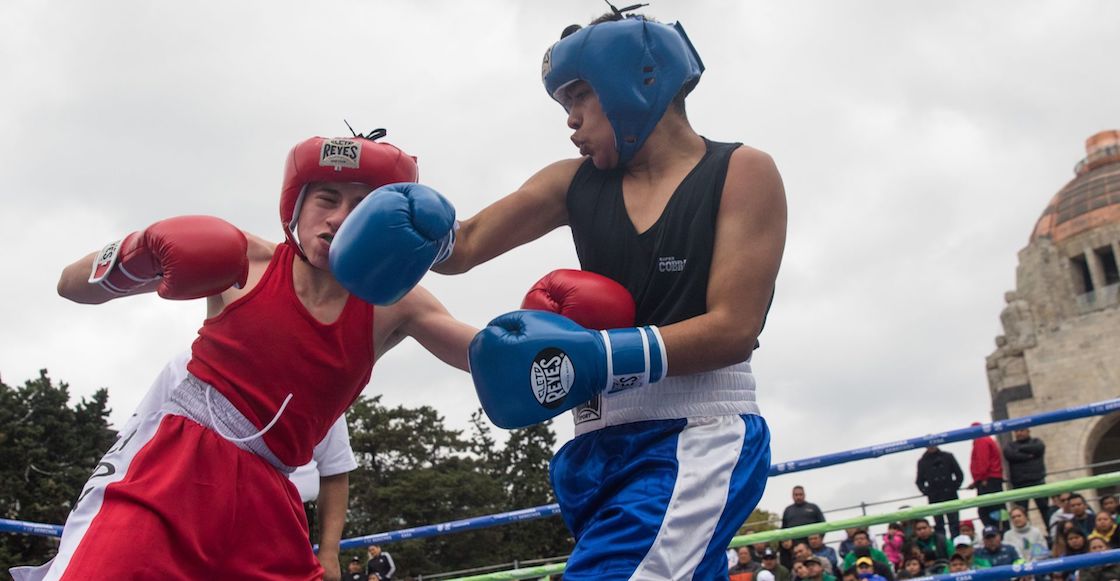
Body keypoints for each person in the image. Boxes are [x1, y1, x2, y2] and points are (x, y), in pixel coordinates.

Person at [12, 133, 475, 580]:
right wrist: (139, 250)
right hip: (175, 468)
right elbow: (70, 286)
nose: (338, 218)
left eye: (360, 207)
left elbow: (482, 356)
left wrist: (539, 344)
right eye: (327, 199)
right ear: (296, 204)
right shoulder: (244, 260)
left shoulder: (398, 302)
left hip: (271, 499)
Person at [435, 8, 787, 580]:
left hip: (693, 436)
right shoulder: (572, 181)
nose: (569, 120)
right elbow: (463, 247)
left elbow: (734, 328)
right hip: (594, 443)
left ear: (632, 79)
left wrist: (600, 356)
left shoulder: (740, 171)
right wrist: (387, 219)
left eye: (579, 97)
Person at [134, 350, 360, 581]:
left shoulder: (316, 384)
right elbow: (138, 438)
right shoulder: (186, 363)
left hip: (282, 528)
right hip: (187, 515)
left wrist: (329, 552)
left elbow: (335, 472)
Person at [915, 445, 964, 537]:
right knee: (939, 526)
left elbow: (959, 474)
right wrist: (927, 491)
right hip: (935, 497)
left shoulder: (948, 456)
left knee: (954, 524)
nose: (931, 447)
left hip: (950, 495)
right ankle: (942, 547)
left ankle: (956, 546)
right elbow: (919, 481)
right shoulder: (922, 462)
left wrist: (954, 486)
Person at [1002, 428, 1049, 520]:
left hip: (1037, 481)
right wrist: (1028, 455)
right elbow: (1009, 454)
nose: (1019, 433)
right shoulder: (1010, 446)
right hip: (1020, 484)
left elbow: (1038, 448)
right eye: (1016, 431)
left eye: (1021, 430)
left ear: (1028, 431)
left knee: (1045, 510)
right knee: (1021, 512)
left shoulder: (1037, 442)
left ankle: (1051, 531)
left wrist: (1019, 450)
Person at [968, 424, 1005, 529]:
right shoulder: (987, 439)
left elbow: (983, 461)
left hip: (988, 480)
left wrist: (982, 478)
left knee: (986, 510)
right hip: (992, 478)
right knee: (997, 508)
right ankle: (1002, 529)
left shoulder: (981, 440)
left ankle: (995, 531)